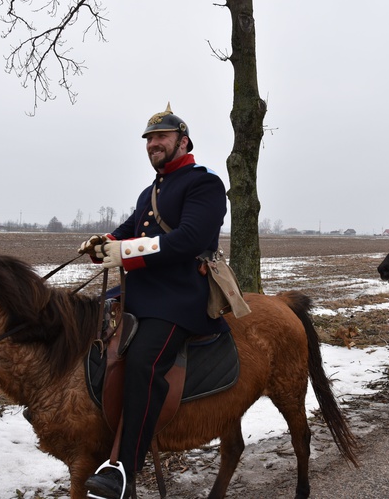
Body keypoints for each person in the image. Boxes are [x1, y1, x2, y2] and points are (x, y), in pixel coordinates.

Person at [79, 104, 229, 499]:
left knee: (144, 363)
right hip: (139, 291)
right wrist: (103, 244)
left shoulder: (204, 184)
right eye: (148, 139)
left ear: (183, 141)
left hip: (180, 297)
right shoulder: (153, 190)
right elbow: (128, 231)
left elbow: (190, 239)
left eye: (161, 137)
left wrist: (125, 252)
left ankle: (124, 469)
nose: (153, 144)